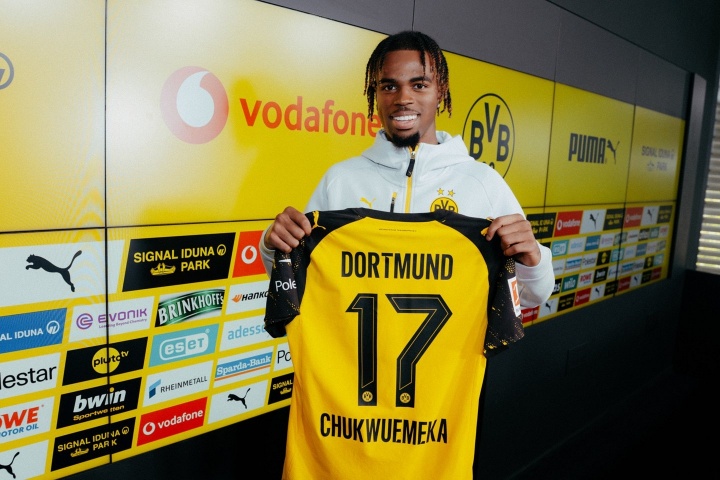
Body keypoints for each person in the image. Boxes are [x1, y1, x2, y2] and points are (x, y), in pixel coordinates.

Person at [260, 31, 554, 479]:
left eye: (419, 84)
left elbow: (533, 296)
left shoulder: (483, 184)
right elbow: (301, 280)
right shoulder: (341, 180)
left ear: (442, 91)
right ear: (374, 94)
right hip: (341, 423)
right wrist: (275, 245)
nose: (403, 99)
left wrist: (531, 257)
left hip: (436, 425)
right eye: (388, 85)